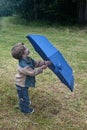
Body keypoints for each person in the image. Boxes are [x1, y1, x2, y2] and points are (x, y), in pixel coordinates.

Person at [11, 42, 51, 114]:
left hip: (24, 83)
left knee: (24, 95)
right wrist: (42, 68)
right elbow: (32, 73)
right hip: (21, 84)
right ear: (23, 54)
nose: (27, 48)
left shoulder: (28, 59)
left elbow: (35, 63)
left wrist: (44, 62)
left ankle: (24, 101)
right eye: (26, 48)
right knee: (23, 97)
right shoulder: (24, 66)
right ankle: (25, 110)